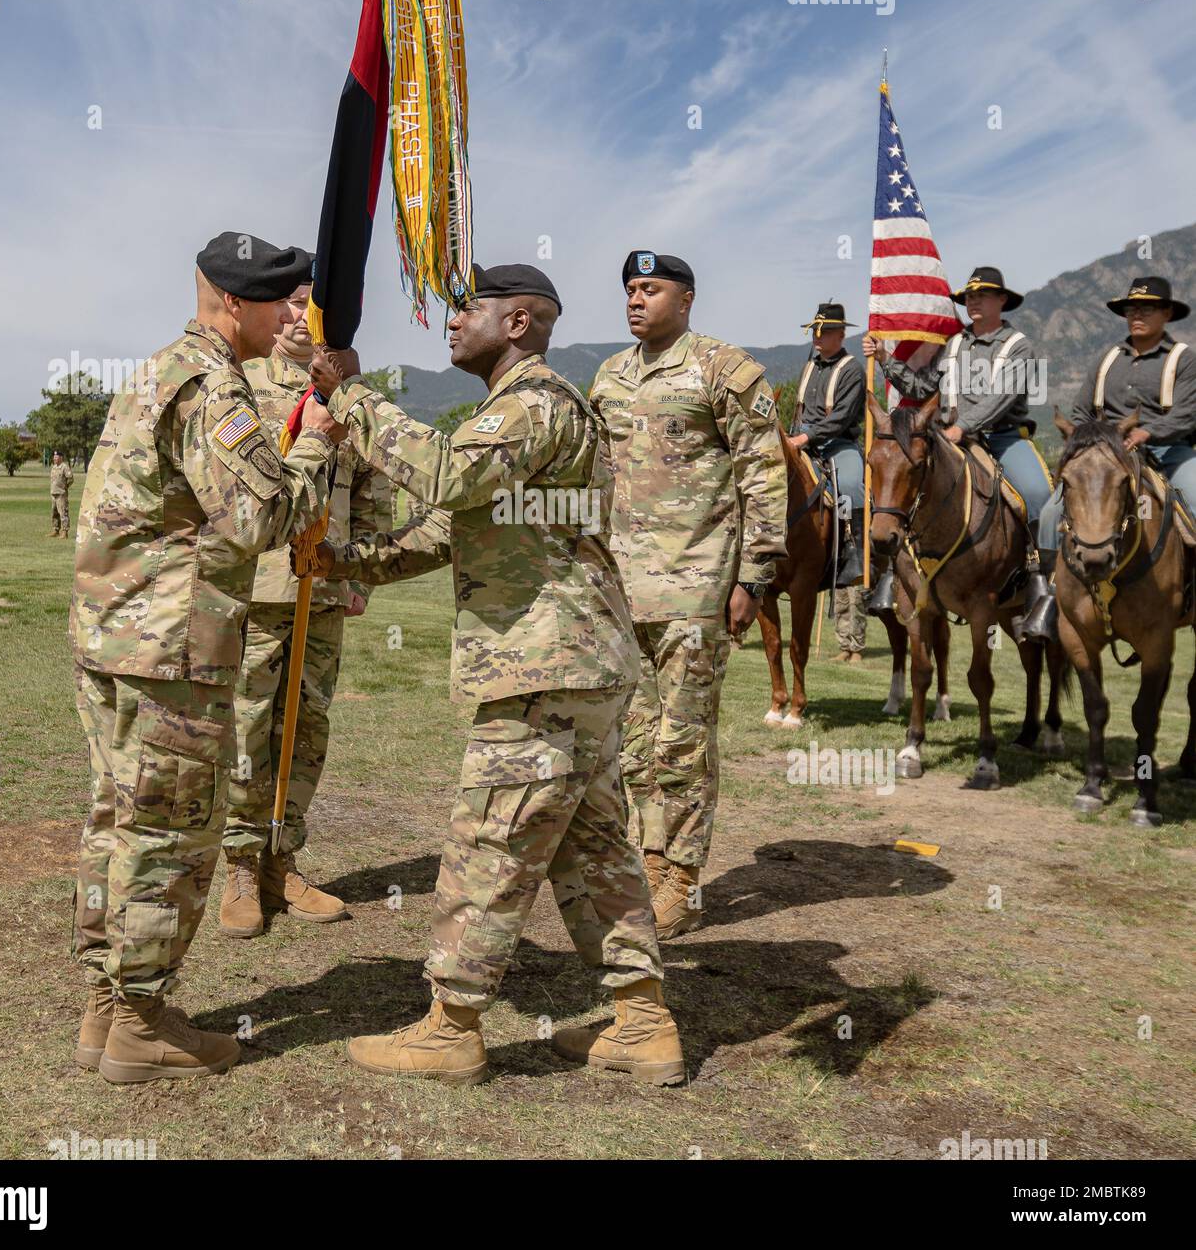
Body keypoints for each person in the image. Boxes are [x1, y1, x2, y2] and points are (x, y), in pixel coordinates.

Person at [305, 262, 684, 1087]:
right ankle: (644, 1023)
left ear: (518, 323)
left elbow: (444, 475)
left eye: (464, 308)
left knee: (493, 842)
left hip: (544, 668)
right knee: (593, 850)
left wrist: (352, 396)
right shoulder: (525, 412)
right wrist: (349, 561)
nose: (448, 322)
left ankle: (451, 1028)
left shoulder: (536, 406)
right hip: (578, 664)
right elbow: (451, 525)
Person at [69, 233, 336, 1083]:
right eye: (283, 302)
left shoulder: (156, 368)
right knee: (169, 837)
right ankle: (142, 1026)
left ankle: (106, 1007)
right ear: (230, 303)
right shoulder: (213, 384)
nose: (297, 315)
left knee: (116, 822)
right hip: (172, 647)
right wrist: (316, 441)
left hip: (116, 636)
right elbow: (259, 518)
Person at [590, 251, 786, 939]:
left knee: (683, 740)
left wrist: (755, 575)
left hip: (698, 586)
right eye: (631, 290)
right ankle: (648, 857)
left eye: (652, 289)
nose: (637, 300)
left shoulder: (725, 369)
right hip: (622, 588)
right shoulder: (609, 378)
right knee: (636, 740)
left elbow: (763, 471)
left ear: (688, 298)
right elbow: (596, 477)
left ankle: (682, 876)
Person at [219, 266, 393, 938]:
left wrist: (363, 573)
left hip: (323, 584)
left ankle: (281, 860)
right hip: (258, 584)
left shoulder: (348, 395)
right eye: (291, 305)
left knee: (308, 723)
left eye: (312, 308)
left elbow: (374, 489)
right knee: (249, 723)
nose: (300, 318)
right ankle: (238, 866)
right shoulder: (240, 383)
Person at [862, 265, 1054, 636]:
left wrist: (961, 427)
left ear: (1002, 300)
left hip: (1001, 438)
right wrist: (886, 359)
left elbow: (1001, 398)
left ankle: (1040, 584)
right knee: (901, 486)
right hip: (948, 438)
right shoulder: (954, 344)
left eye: (982, 295)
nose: (974, 301)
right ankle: (894, 574)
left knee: (1040, 495)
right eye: (969, 296)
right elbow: (921, 388)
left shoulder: (1019, 346)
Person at [1036, 276, 1196, 640]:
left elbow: (1187, 414)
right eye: (1131, 308)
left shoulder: (1183, 360)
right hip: (1107, 458)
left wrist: (1147, 432)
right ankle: (1046, 598)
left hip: (1169, 452)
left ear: (1167, 313)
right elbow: (1078, 411)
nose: (1137, 314)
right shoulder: (1106, 359)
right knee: (1048, 514)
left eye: (1147, 307)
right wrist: (1084, 439)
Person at [790, 302, 868, 661]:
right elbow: (800, 410)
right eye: (815, 331)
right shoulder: (810, 366)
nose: (818, 337)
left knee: (851, 490)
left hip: (839, 444)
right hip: (801, 440)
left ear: (841, 334)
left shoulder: (853, 370)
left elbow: (840, 419)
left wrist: (806, 438)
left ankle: (853, 559)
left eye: (824, 332)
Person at [49, 450, 74, 537]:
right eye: (54, 457)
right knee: (54, 513)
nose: (54, 458)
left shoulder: (64, 467)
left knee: (63, 513)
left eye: (56, 457)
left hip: (61, 494)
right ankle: (55, 530)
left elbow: (70, 478)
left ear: (61, 458)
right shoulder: (54, 467)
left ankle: (64, 532)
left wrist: (65, 487)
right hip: (54, 493)